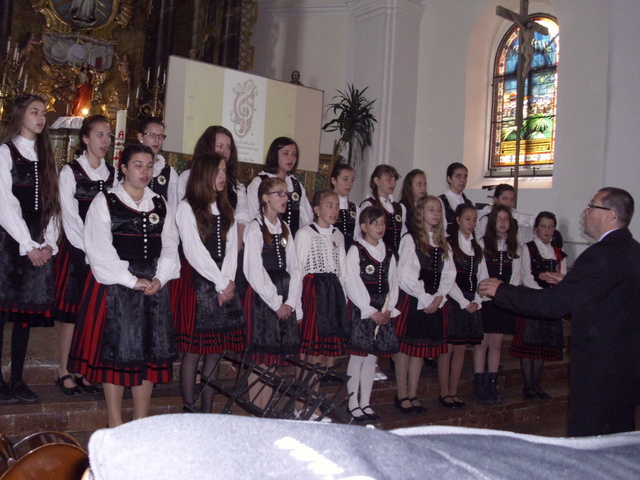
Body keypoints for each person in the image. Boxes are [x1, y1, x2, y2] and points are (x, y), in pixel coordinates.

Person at [479, 187, 640, 437]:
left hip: (600, 369)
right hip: (625, 366)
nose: (585, 211)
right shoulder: (633, 250)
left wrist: (502, 290)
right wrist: (569, 282)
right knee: (616, 439)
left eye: (592, 206)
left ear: (610, 215)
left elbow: (552, 305)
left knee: (590, 439)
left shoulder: (598, 256)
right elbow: (610, 294)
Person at [68, 144, 180, 428]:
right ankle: (115, 421)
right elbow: (98, 249)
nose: (145, 171)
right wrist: (131, 280)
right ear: (124, 168)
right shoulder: (106, 201)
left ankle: (140, 421)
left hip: (152, 285)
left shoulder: (160, 203)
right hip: (116, 287)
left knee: (148, 352)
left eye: (149, 166)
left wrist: (161, 277)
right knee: (117, 352)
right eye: (138, 165)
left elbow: (170, 245)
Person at [0, 94, 61, 402]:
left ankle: (18, 378)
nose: (41, 117)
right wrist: (27, 244)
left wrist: (49, 242)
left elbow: (53, 203)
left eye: (43, 113)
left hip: (37, 239)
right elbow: (5, 203)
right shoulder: (5, 152)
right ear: (20, 115)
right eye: (34, 112)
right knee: (2, 313)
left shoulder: (46, 155)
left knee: (25, 314)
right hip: (9, 241)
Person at [174, 153, 244, 413]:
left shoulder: (226, 208)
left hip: (223, 280)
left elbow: (232, 249)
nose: (222, 176)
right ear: (204, 174)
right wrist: (220, 282)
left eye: (224, 171)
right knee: (193, 351)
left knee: (215, 350)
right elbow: (194, 251)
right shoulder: (188, 207)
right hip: (198, 282)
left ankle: (207, 410)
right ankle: (189, 408)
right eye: (218, 171)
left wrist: (228, 282)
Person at [55, 114, 115, 397]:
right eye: (100, 135)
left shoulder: (113, 174)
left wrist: (106, 251)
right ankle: (63, 370)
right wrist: (89, 250)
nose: (106, 140)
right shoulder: (71, 172)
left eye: (109, 135)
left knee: (94, 313)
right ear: (86, 138)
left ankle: (84, 369)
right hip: (78, 252)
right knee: (72, 314)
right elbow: (69, 217)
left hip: (104, 253)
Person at [243, 177, 303, 410]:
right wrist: (276, 303)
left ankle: (266, 408)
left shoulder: (285, 228)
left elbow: (295, 268)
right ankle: (257, 410)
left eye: (286, 194)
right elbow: (253, 270)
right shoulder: (255, 228)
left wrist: (291, 301)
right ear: (265, 198)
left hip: (284, 295)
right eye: (279, 193)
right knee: (261, 358)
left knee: (274, 358)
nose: (285, 198)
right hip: (263, 298)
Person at [395, 196, 455, 414]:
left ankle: (413, 393)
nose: (436, 214)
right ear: (421, 213)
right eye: (431, 210)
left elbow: (449, 273)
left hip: (433, 300)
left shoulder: (443, 243)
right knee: (405, 348)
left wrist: (439, 297)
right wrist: (425, 297)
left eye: (438, 210)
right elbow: (405, 275)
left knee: (419, 350)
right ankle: (402, 394)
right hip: (413, 299)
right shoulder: (410, 239)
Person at [344, 206, 400, 421]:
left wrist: (388, 308)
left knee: (371, 358)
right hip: (363, 309)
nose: (380, 227)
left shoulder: (389, 252)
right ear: (363, 227)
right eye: (374, 223)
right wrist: (369, 310)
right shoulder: (356, 250)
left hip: (382, 309)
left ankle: (365, 402)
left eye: (383, 223)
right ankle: (352, 403)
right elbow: (352, 281)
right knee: (358, 356)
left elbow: (394, 282)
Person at [504, 211, 566, 401]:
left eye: (550, 227)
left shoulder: (558, 253)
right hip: (532, 301)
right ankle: (528, 386)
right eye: (543, 226)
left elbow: (563, 278)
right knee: (529, 346)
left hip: (549, 303)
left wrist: (554, 294)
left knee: (542, 347)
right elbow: (526, 275)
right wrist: (542, 294)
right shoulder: (527, 248)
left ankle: (536, 385)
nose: (547, 230)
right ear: (536, 228)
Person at [295, 189, 349, 395]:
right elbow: (298, 270)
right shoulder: (305, 234)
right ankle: (301, 401)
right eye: (329, 205)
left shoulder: (338, 235)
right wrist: (297, 307)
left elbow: (342, 271)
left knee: (321, 353)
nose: (334, 210)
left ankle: (313, 398)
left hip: (331, 295)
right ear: (317, 209)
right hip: (313, 294)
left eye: (337, 206)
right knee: (309, 351)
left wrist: (343, 302)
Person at [438, 204, 488, 408]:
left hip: (471, 301)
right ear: (458, 220)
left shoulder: (477, 247)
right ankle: (444, 392)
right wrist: (464, 302)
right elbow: (448, 278)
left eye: (474, 219)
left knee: (460, 349)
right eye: (468, 219)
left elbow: (483, 277)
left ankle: (454, 391)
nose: (472, 223)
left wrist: (478, 300)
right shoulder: (449, 243)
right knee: (447, 349)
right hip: (454, 301)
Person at [473, 205, 522, 404]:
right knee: (482, 343)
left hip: (503, 300)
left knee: (496, 343)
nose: (502, 222)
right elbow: (481, 272)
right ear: (492, 222)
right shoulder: (482, 243)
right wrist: (487, 293)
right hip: (486, 299)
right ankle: (478, 383)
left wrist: (507, 295)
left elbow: (516, 276)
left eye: (506, 219)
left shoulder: (515, 247)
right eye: (499, 219)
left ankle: (493, 383)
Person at [247, 137, 313, 236]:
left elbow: (306, 220)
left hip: (291, 241)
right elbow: (253, 215)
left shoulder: (296, 185)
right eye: (285, 153)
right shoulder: (259, 182)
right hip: (265, 240)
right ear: (274, 155)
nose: (291, 158)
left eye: (294, 154)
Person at [357, 164, 406, 254]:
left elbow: (403, 236)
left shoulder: (400, 208)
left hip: (394, 256)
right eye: (388, 180)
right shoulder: (369, 205)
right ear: (377, 180)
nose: (393, 183)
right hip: (374, 253)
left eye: (394, 180)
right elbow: (359, 234)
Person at [137, 117, 179, 213]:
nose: (157, 140)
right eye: (152, 135)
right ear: (140, 137)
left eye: (160, 136)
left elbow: (173, 208)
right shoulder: (130, 168)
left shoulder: (169, 173)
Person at [327, 163, 357, 252]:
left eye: (352, 180)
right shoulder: (325, 205)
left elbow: (357, 235)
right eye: (345, 179)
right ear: (334, 180)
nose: (349, 184)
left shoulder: (354, 208)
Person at [439, 162, 473, 236]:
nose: (462, 180)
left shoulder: (468, 203)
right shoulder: (441, 201)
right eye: (458, 176)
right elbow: (441, 229)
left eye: (465, 177)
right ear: (449, 179)